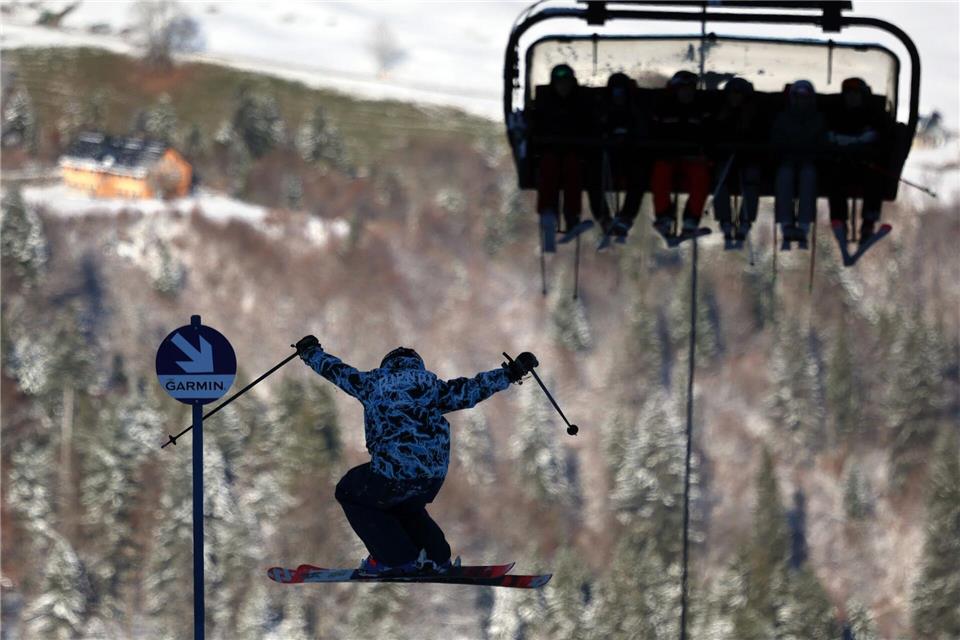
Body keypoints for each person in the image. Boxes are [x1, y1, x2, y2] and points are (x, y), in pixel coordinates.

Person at [294, 336, 539, 576]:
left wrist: (310, 353)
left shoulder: (373, 384)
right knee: (403, 504)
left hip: (393, 471)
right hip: (431, 476)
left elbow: (337, 371)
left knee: (349, 491)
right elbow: (473, 389)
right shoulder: (433, 388)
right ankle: (435, 556)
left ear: (387, 366)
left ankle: (394, 559)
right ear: (417, 366)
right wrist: (511, 373)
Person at [532, 64, 593, 253]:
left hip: (573, 153)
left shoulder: (581, 104)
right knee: (549, 167)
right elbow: (534, 126)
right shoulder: (544, 104)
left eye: (566, 83)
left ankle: (571, 216)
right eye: (559, 84)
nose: (563, 88)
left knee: (572, 169)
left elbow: (589, 127)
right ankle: (548, 213)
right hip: (549, 152)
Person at [649, 70, 712, 242]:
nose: (688, 92)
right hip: (667, 156)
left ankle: (691, 222)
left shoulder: (701, 108)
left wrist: (704, 155)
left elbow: (710, 134)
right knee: (661, 173)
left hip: (693, 158)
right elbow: (653, 133)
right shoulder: (663, 107)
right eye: (684, 88)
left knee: (701, 176)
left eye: (691, 88)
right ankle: (663, 218)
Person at [591, 72, 650, 251]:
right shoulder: (603, 110)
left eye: (622, 93)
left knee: (638, 175)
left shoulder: (635, 110)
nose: (619, 97)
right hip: (608, 157)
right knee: (594, 176)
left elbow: (642, 130)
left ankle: (626, 217)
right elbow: (595, 128)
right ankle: (604, 218)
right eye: (615, 93)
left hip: (629, 157)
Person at [825, 77, 888, 245]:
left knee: (874, 177)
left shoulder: (873, 114)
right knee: (835, 178)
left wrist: (859, 141)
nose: (851, 98)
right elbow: (827, 133)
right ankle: (839, 223)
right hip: (842, 164)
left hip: (865, 165)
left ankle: (869, 222)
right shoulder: (837, 113)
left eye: (855, 94)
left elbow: (881, 134)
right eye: (848, 94)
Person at [770, 80, 825, 250]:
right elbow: (775, 140)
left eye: (805, 97)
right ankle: (786, 222)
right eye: (798, 97)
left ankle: (803, 223)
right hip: (787, 160)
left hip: (808, 161)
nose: (802, 101)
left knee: (808, 174)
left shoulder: (817, 119)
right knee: (785, 174)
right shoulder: (783, 118)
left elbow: (823, 140)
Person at [711, 77, 764, 248]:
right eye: (732, 94)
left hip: (747, 159)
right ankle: (725, 220)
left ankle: (746, 221)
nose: (735, 98)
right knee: (721, 177)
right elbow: (713, 135)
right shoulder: (720, 113)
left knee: (751, 177)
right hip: (725, 159)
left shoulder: (754, 115)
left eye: (739, 95)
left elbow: (759, 138)